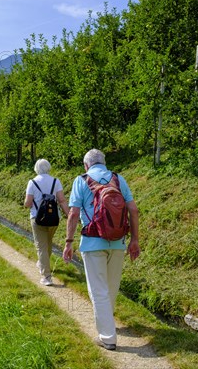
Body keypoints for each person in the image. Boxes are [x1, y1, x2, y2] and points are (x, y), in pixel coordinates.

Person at [63, 149, 140, 351]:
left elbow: (73, 214)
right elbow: (133, 210)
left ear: (86, 165)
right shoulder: (118, 179)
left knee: (98, 290)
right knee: (111, 287)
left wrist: (68, 241)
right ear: (104, 163)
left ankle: (107, 337)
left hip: (92, 242)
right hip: (118, 241)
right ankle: (109, 323)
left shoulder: (81, 180)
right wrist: (135, 240)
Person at [24, 159, 69, 286]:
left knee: (41, 246)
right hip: (54, 218)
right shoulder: (56, 181)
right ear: (48, 168)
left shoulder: (32, 182)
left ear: (36, 169)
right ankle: (42, 263)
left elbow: (28, 203)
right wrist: (70, 215)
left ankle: (46, 277)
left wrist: (28, 203)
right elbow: (62, 200)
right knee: (48, 243)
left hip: (37, 219)